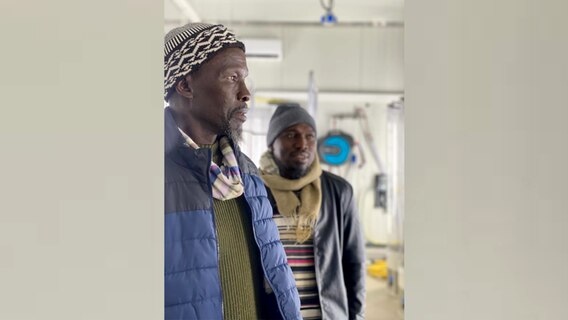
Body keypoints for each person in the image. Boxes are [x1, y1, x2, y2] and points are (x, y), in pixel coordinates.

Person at [164, 23, 301, 320]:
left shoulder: (247, 173)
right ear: (186, 86)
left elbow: (275, 275)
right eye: (231, 77)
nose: (245, 93)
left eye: (245, 79)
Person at [259, 103, 367, 320]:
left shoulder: (339, 191)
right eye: (291, 135)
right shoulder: (256, 191)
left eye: (310, 136)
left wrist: (358, 316)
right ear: (272, 143)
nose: (302, 144)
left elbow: (354, 263)